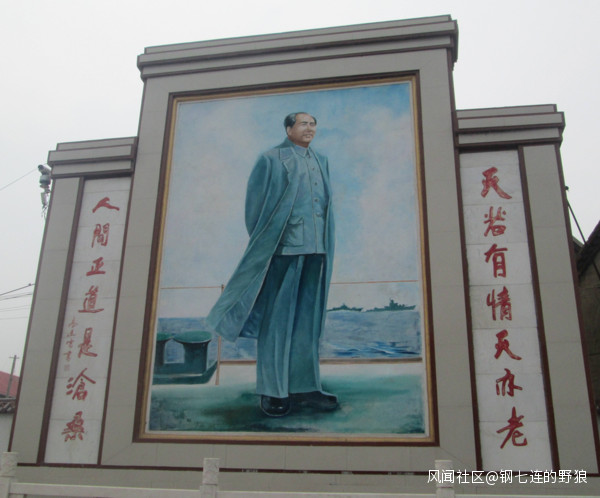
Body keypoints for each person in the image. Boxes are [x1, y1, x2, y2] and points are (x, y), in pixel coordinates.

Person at [206, 112, 337, 416]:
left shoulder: (322, 160)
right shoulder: (271, 159)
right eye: (304, 124)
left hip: (318, 249)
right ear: (289, 129)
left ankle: (305, 387)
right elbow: (254, 211)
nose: (310, 129)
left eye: (313, 124)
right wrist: (270, 243)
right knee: (277, 322)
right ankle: (273, 390)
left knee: (308, 322)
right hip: (284, 250)